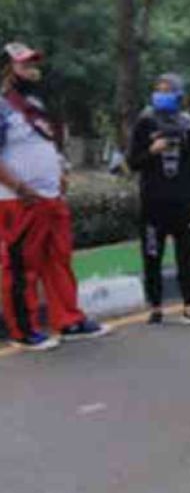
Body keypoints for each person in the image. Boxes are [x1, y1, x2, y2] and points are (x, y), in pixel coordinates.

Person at [0, 42, 110, 351]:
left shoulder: (37, 104)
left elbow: (44, 145)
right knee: (21, 267)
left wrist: (59, 172)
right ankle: (24, 331)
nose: (33, 70)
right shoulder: (3, 106)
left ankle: (69, 320)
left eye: (34, 64)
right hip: (19, 199)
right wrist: (20, 188)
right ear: (9, 69)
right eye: (25, 65)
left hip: (49, 197)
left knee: (58, 260)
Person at [128, 74, 190, 326]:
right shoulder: (145, 123)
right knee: (152, 255)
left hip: (183, 203)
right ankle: (155, 306)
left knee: (186, 255)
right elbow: (132, 162)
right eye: (158, 89)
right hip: (153, 203)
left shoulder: (189, 125)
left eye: (168, 90)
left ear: (179, 96)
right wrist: (152, 151)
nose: (161, 94)